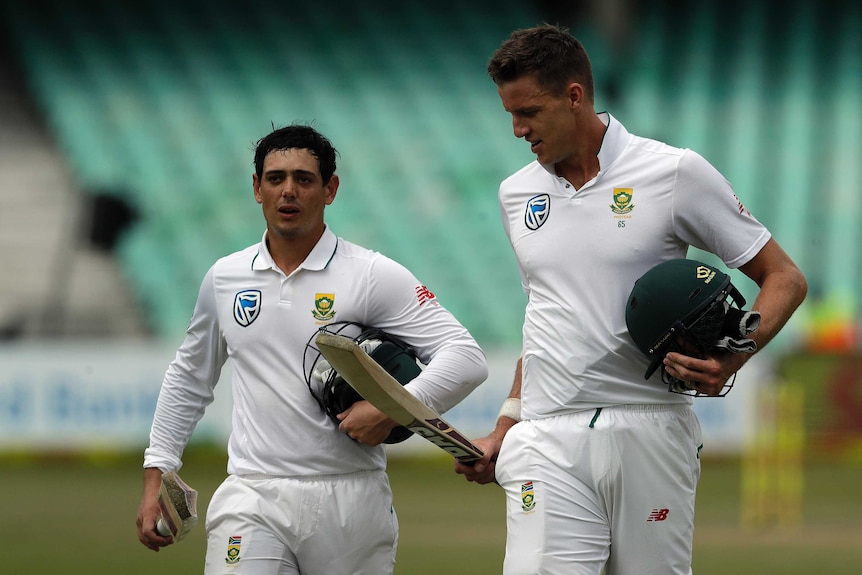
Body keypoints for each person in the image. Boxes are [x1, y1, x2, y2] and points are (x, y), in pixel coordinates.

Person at [454, 24, 807, 575]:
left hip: (651, 426)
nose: (519, 130)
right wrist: (507, 423)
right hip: (545, 437)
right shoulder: (515, 192)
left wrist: (734, 355)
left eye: (529, 112)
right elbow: (548, 315)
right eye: (510, 116)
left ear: (574, 96)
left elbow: (784, 276)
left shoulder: (673, 172)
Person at [136, 124, 488, 574]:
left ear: (330, 189)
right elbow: (188, 378)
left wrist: (391, 408)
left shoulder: (370, 274)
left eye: (304, 179)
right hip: (253, 492)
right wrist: (156, 474)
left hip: (351, 500)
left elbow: (465, 355)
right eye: (275, 178)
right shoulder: (225, 278)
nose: (289, 191)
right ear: (256, 188)